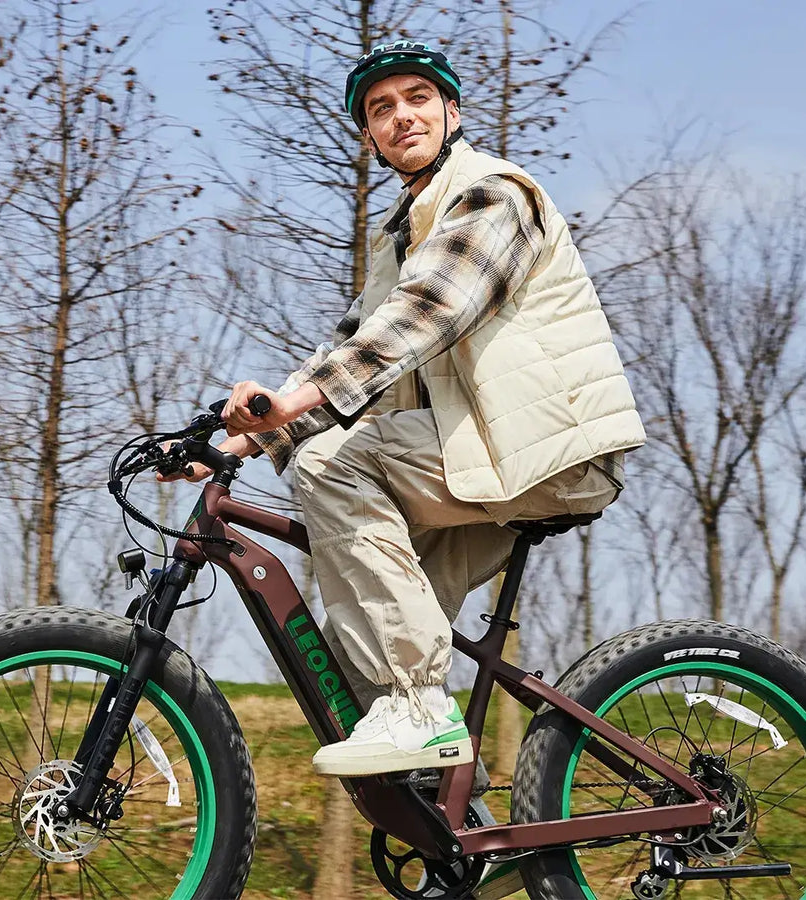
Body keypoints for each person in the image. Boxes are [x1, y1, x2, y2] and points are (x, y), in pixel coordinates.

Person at [166, 41, 645, 777]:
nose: (400, 116)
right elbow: (353, 350)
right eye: (380, 109)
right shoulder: (400, 238)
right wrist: (229, 446)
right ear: (368, 136)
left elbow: (428, 312)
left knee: (332, 465)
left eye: (417, 98)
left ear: (452, 111)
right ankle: (465, 830)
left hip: (544, 448)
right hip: (479, 457)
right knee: (356, 640)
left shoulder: (494, 194)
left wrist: (291, 406)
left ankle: (423, 711)